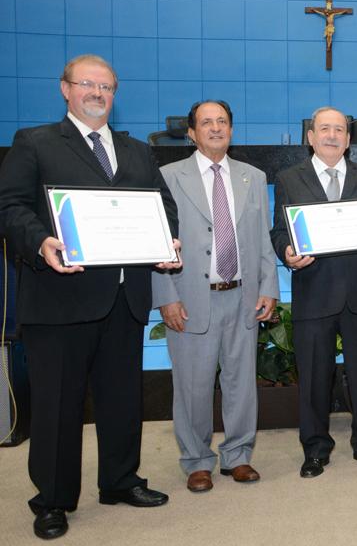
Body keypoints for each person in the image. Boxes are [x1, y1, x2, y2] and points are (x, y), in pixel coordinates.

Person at [0, 55, 179, 540]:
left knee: (122, 399)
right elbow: (10, 206)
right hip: (60, 297)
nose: (97, 93)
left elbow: (163, 207)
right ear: (65, 89)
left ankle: (120, 481)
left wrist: (168, 242)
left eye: (106, 86)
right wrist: (40, 241)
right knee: (58, 405)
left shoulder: (136, 150)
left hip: (124, 296)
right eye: (87, 84)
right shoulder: (34, 142)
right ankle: (54, 500)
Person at [151, 100, 279, 492]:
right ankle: (196, 460)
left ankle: (238, 456)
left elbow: (261, 238)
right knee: (192, 385)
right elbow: (157, 242)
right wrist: (165, 296)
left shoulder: (252, 177)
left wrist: (269, 287)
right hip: (190, 297)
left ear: (232, 129)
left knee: (242, 383)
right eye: (206, 122)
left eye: (222, 121)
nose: (215, 128)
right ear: (191, 132)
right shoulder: (168, 176)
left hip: (242, 296)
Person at [270, 107, 357, 477]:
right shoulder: (289, 178)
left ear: (349, 137)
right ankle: (315, 448)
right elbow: (279, 231)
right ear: (310, 136)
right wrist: (287, 254)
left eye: (339, 129)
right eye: (324, 129)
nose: (331, 135)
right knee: (312, 378)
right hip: (313, 291)